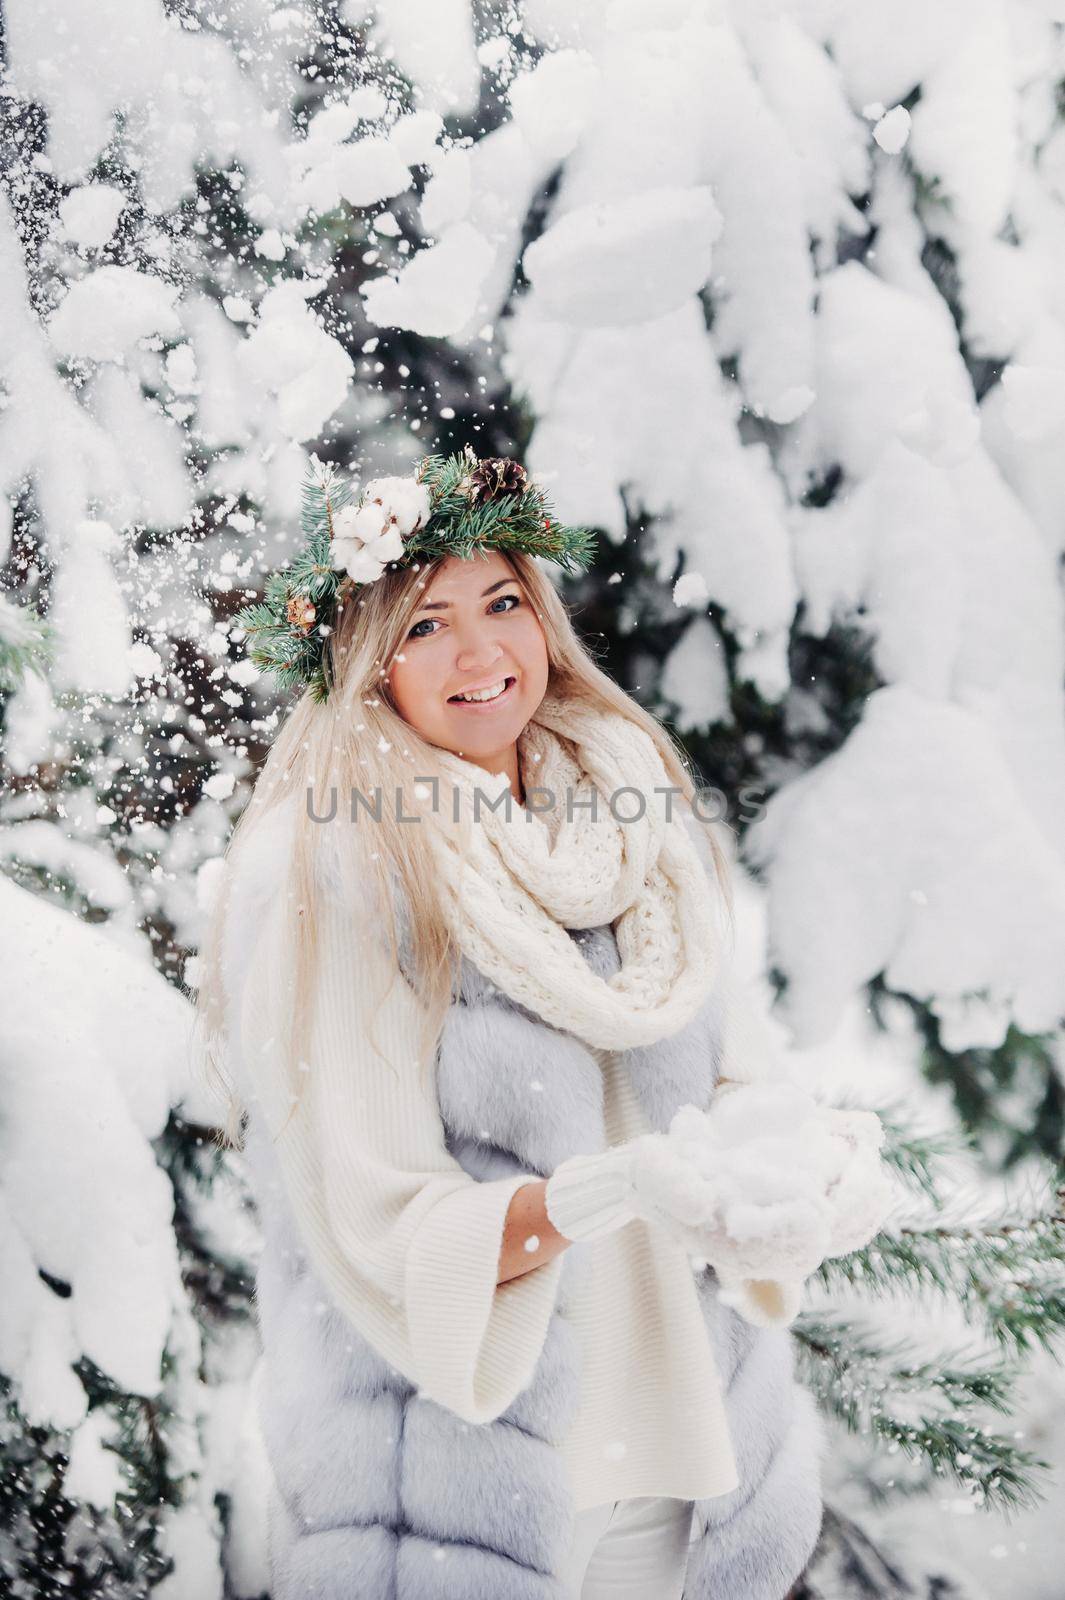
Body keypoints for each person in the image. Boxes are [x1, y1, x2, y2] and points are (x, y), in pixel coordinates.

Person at [192, 448, 895, 1599]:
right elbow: (384, 1227)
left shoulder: (626, 817)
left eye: (504, 603)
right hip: (472, 1494)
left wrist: (801, 1170)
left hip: (684, 1462)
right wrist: (616, 1189)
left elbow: (734, 1089)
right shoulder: (339, 865)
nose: (481, 655)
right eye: (424, 625)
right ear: (368, 668)